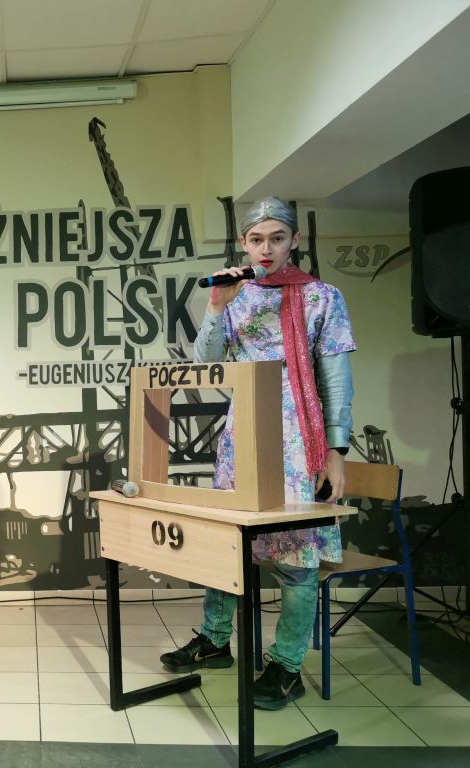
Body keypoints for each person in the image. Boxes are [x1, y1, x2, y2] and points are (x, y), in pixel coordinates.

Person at [160, 197, 356, 710]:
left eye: (276, 238)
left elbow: (336, 379)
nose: (266, 248)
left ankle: (286, 666)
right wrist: (217, 305)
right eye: (256, 239)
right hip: (244, 434)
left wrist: (336, 451)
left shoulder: (321, 297)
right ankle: (214, 640)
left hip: (299, 438)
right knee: (227, 545)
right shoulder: (237, 296)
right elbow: (206, 365)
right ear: (242, 244)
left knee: (297, 556)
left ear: (294, 241)